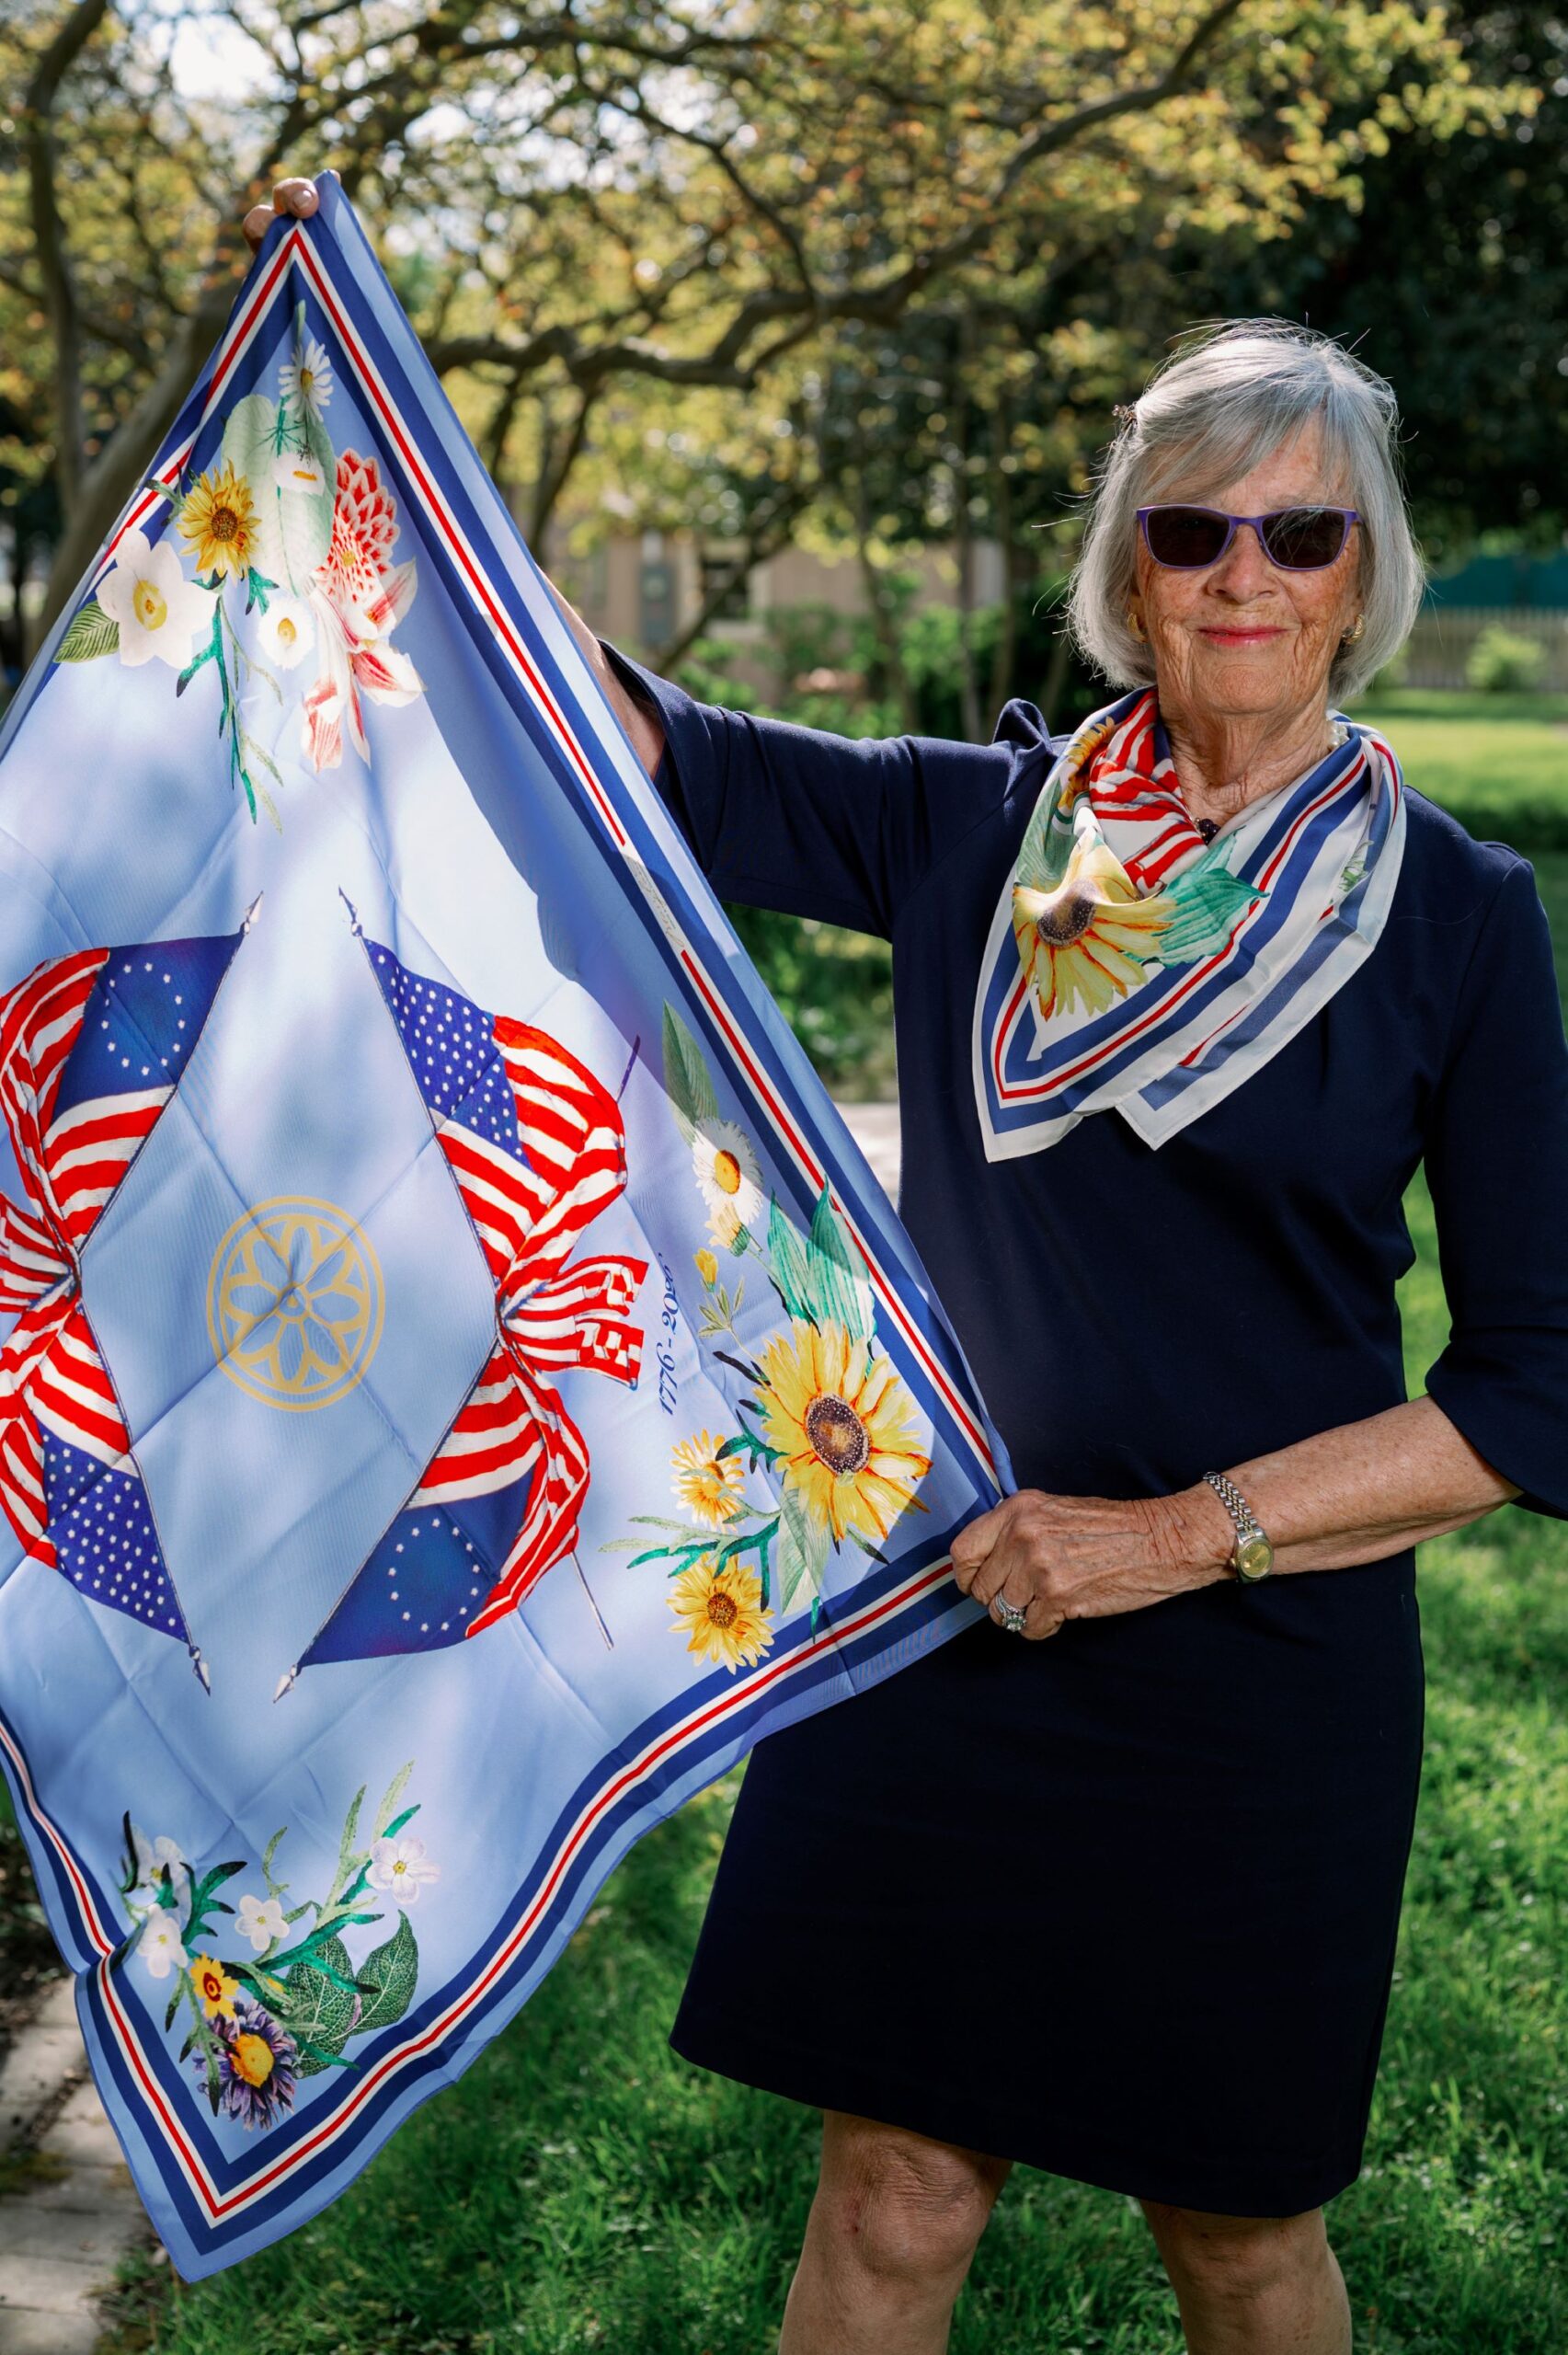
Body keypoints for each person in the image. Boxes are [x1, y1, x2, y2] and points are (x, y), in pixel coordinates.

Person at [245, 184, 1568, 2355]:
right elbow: (635, 744)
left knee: (1233, 2228)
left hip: (1254, 1662)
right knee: (891, 2185)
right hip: (937, 1612)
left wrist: (1158, 1541)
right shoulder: (977, 833)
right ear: (1126, 568)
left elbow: (1534, 1391)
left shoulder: (1455, 916)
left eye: (1298, 535)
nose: (1243, 573)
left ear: (1362, 579)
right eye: (1191, 530)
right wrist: (371, 404)